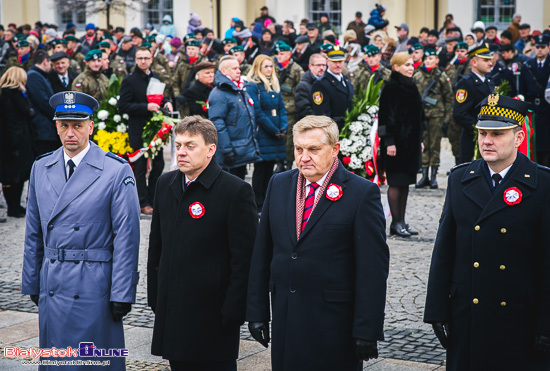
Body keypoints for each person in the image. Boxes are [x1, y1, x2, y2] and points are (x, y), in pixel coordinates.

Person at [246, 115, 389, 371]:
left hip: (333, 326)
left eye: (313, 149)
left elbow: (372, 270)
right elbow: (262, 253)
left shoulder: (360, 193)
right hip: (286, 319)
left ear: (335, 149)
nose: (304, 157)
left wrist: (366, 329)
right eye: (299, 149)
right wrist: (257, 313)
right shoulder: (279, 184)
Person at [424, 94, 550, 371]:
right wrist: (436, 309)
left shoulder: (541, 184)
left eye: (497, 133)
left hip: (520, 318)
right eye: (482, 133)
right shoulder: (460, 178)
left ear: (518, 138)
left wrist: (546, 323)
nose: (486, 141)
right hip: (469, 314)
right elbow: (444, 249)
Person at [21, 91, 140, 370]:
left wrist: (122, 292)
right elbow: (33, 232)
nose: (70, 133)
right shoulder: (41, 167)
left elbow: (127, 237)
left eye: (77, 125)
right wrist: (32, 281)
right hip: (54, 282)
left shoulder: (115, 170)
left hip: (93, 284)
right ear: (56, 126)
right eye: (64, 125)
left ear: (91, 126)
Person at [148, 115, 257, 371]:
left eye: (190, 145)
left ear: (210, 150)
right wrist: (155, 296)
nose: (181, 152)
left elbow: (245, 259)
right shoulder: (166, 183)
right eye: (179, 145)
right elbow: (156, 248)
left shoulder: (235, 191)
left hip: (213, 314)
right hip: (173, 309)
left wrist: (233, 312)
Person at [118, 47, 173, 215]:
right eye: (140, 58)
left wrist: (167, 102)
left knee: (158, 165)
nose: (143, 61)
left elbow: (159, 96)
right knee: (141, 167)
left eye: (146, 58)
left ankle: (154, 198)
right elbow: (123, 106)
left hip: (154, 130)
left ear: (151, 59)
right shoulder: (130, 80)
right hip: (138, 130)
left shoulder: (154, 78)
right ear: (135, 60)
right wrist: (145, 107)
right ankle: (142, 202)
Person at [378, 52, 423, 237]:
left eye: (412, 65)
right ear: (396, 67)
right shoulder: (391, 87)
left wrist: (419, 139)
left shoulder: (411, 86)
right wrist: (389, 142)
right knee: (396, 182)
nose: (411, 68)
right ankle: (395, 223)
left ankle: (402, 222)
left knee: (405, 183)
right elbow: (385, 117)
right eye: (406, 65)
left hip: (410, 143)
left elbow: (418, 116)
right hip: (395, 143)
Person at [246, 55, 288, 212]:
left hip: (276, 133)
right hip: (263, 133)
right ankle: (258, 203)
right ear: (258, 68)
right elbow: (257, 112)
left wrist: (283, 126)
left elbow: (282, 108)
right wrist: (273, 130)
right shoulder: (253, 86)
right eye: (266, 66)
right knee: (260, 170)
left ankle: (268, 202)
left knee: (270, 169)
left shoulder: (274, 84)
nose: (269, 69)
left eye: (271, 66)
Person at [208, 56, 261, 179]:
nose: (239, 71)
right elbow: (217, 122)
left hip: (241, 149)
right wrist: (227, 150)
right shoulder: (219, 93)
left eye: (239, 68)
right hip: (231, 152)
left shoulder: (239, 89)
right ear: (224, 71)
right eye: (234, 68)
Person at [414, 48, 453, 189]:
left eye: (431, 59)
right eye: (426, 59)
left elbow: (449, 98)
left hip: (437, 115)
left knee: (435, 146)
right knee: (423, 146)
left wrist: (447, 117)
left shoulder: (441, 76)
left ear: (437, 60)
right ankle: (424, 175)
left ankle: (433, 176)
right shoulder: (417, 75)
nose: (428, 61)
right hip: (421, 116)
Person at [0, 67, 36, 217]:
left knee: (20, 176)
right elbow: (10, 122)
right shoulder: (8, 96)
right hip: (13, 142)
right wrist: (14, 144)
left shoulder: (17, 94)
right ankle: (12, 206)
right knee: (11, 177)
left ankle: (16, 205)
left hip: (20, 139)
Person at [454, 45, 494, 164]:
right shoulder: (466, 83)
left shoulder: (489, 81)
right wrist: (478, 128)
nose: (490, 63)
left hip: (488, 136)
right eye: (486, 60)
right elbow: (459, 113)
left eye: (490, 60)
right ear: (474, 62)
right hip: (472, 137)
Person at [519, 34, 550, 166]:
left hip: (547, 108)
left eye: (543, 47)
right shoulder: (527, 65)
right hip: (533, 109)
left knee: (547, 144)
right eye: (537, 47)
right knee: (534, 142)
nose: (540, 50)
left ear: (548, 48)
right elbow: (522, 89)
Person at [273, 41, 303, 170]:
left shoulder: (296, 69)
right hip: (275, 108)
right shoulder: (273, 67)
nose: (279, 56)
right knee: (276, 135)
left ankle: (288, 162)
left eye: (282, 53)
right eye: (277, 54)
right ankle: (279, 161)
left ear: (289, 54)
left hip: (290, 109)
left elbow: (300, 90)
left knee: (289, 138)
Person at [311, 46, 353, 130]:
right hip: (333, 129)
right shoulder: (321, 84)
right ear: (327, 62)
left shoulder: (346, 80)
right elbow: (322, 115)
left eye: (340, 61)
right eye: (334, 62)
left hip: (348, 127)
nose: (338, 65)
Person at [26, 50, 59, 156]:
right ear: (45, 61)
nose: (51, 67)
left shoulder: (40, 76)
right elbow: (44, 102)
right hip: (42, 129)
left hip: (46, 129)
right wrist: (58, 116)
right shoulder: (33, 76)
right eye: (50, 63)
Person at [294, 53, 326, 121]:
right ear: (310, 66)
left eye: (323, 65)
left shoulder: (327, 82)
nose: (321, 68)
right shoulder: (303, 86)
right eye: (318, 65)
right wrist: (320, 121)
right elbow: (304, 110)